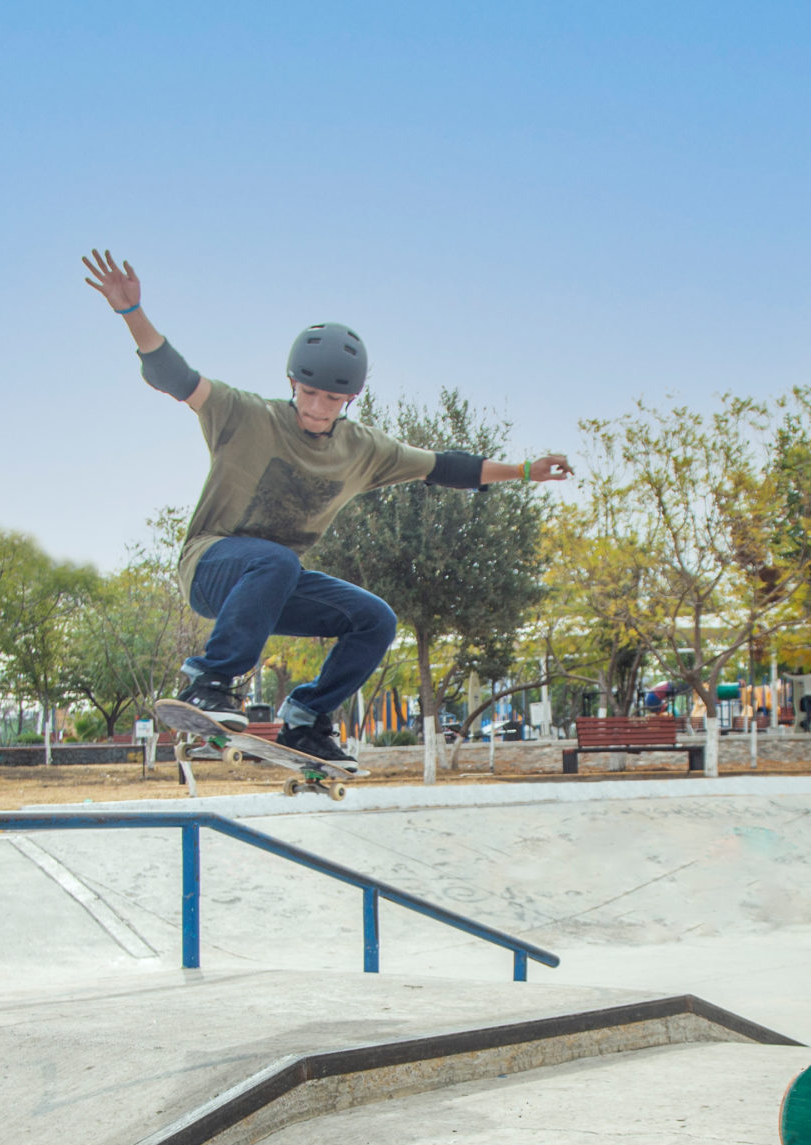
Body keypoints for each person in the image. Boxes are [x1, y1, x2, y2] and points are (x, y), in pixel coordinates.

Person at [83, 249, 572, 770]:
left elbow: (443, 467)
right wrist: (130, 313)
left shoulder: (362, 450)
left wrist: (524, 471)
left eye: (332, 400)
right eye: (309, 392)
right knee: (275, 560)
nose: (317, 408)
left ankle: (305, 720)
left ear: (352, 399)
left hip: (272, 585)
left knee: (373, 619)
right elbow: (174, 376)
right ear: (291, 382)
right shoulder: (244, 415)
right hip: (210, 568)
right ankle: (210, 682)